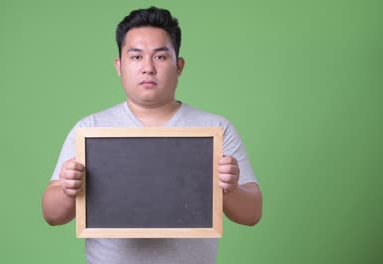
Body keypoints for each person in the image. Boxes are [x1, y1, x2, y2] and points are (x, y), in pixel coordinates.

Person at [42, 6, 262, 264]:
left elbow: (252, 213)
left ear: (179, 65)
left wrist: (231, 188)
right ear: (119, 65)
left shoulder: (216, 129)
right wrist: (68, 188)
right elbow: (52, 215)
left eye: (160, 57)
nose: (148, 68)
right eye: (136, 57)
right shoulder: (90, 129)